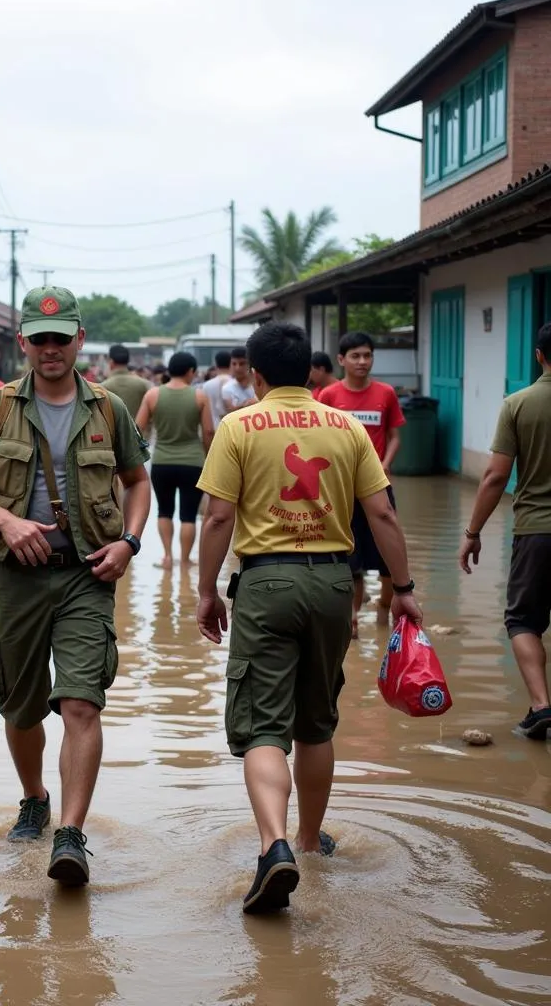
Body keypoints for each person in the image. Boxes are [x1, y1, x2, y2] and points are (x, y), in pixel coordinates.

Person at [195, 322, 421, 915]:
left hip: (265, 581)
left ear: (258, 373)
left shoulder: (239, 425)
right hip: (331, 584)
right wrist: (404, 589)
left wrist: (205, 592)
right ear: (312, 370)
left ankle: (273, 847)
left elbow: (218, 518)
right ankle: (308, 841)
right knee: (315, 720)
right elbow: (383, 514)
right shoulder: (346, 426)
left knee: (261, 726)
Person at [0, 286, 151, 887]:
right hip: (17, 577)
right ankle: (34, 797)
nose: (51, 348)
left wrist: (130, 543)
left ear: (80, 340)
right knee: (21, 703)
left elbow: (139, 483)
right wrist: (6, 522)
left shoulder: (108, 409)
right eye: (39, 338)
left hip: (87, 574)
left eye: (61, 338)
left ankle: (70, 833)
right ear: (23, 343)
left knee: (82, 701)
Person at [459, 321, 551, 739]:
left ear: (539, 355)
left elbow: (495, 477)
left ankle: (541, 706)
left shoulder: (518, 404)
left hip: (537, 530)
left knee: (522, 620)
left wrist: (473, 531)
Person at [317, 331, 406, 635]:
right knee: (347, 557)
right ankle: (352, 619)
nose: (362, 361)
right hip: (342, 491)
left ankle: (385, 614)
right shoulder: (328, 397)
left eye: (367, 355)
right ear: (341, 360)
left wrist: (385, 462)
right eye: (355, 356)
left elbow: (394, 435)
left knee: (386, 557)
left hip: (379, 486)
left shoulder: (386, 393)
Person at [135, 351, 213, 568]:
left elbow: (137, 428)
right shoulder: (199, 397)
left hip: (162, 461)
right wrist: (209, 459)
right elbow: (208, 432)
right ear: (191, 372)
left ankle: (167, 557)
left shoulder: (152, 395)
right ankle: (186, 560)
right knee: (188, 515)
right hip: (193, 462)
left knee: (165, 510)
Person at [101, 343, 151, 420]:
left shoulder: (102, 388)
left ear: (111, 362)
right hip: (140, 431)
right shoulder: (144, 384)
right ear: (128, 361)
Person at [203, 350, 234, 429]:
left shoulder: (206, 385)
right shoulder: (235, 384)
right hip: (232, 426)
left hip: (212, 426)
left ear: (216, 364)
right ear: (231, 363)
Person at [221, 346, 257, 414]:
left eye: (242, 364)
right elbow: (230, 411)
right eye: (234, 364)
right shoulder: (227, 388)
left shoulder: (259, 386)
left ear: (249, 364)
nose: (237, 368)